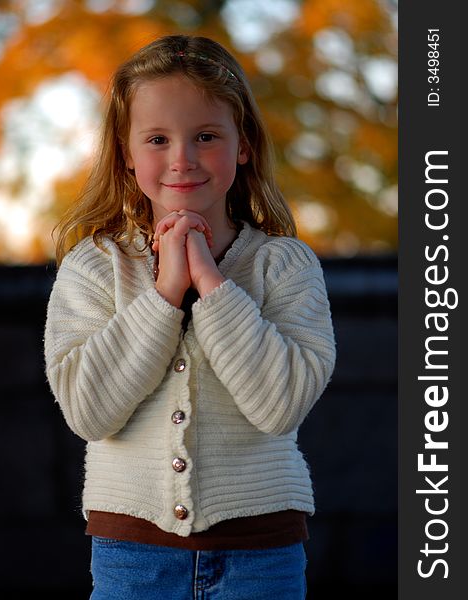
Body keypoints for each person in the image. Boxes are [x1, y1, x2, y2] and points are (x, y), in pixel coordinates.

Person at [44, 34, 336, 600]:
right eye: (157, 139)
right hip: (132, 560)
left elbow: (280, 406)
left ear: (243, 145)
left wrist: (211, 282)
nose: (182, 159)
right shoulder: (93, 267)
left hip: (263, 557)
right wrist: (166, 290)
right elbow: (88, 410)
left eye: (206, 136)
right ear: (127, 154)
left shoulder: (285, 265)